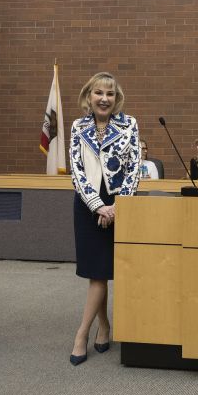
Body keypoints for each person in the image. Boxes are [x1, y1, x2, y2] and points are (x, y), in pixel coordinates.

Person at [68, 72, 140, 365]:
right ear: (89, 96)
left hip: (120, 203)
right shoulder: (78, 126)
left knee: (102, 271)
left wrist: (117, 206)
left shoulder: (129, 124)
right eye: (99, 93)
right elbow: (76, 170)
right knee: (95, 272)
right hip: (88, 206)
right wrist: (99, 206)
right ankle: (104, 327)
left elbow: (135, 167)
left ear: (116, 98)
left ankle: (81, 335)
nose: (104, 99)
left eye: (110, 94)